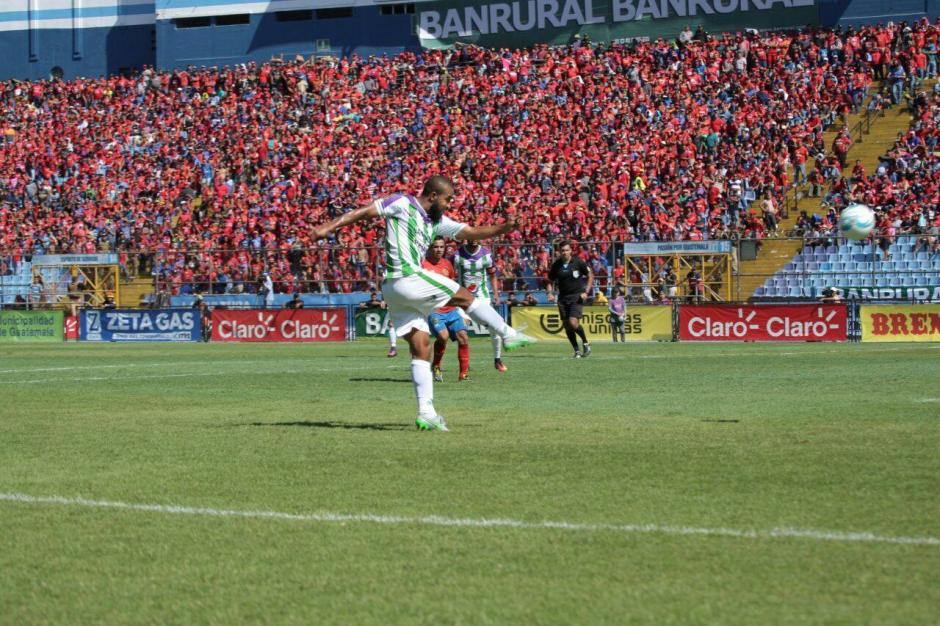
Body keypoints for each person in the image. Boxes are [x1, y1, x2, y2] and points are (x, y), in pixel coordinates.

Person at [312, 175, 535, 432]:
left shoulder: (436, 221)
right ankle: (507, 334)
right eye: (447, 199)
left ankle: (426, 413)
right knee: (465, 296)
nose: (449, 204)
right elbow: (364, 212)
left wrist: (505, 228)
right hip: (407, 276)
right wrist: (329, 226)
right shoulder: (402, 203)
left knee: (421, 347)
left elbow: (471, 232)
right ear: (433, 195)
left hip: (394, 289)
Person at [454, 239, 507, 373]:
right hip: (463, 297)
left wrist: (496, 294)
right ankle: (464, 364)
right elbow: (450, 274)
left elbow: (493, 275)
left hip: (482, 298)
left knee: (494, 328)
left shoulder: (486, 255)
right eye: (471, 236)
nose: (474, 239)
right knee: (461, 331)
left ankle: (497, 359)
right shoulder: (457, 255)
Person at [422, 237, 470, 382]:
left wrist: (460, 307)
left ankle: (463, 375)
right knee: (443, 337)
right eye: (435, 247)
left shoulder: (447, 264)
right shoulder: (422, 265)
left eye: (441, 247)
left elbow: (452, 287)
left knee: (463, 337)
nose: (439, 250)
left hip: (451, 308)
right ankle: (436, 366)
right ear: (430, 248)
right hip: (434, 309)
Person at [548, 240, 594, 358]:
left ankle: (585, 343)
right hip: (562, 298)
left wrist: (586, 291)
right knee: (567, 325)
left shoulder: (578, 262)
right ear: (559, 251)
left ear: (571, 251)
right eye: (562, 250)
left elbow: (590, 275)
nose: (564, 252)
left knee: (573, 322)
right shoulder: (556, 265)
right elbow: (549, 281)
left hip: (576, 296)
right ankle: (577, 351)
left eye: (567, 250)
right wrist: (550, 293)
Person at [358, 290, 397, 356]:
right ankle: (393, 347)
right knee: (391, 325)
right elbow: (379, 303)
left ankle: (412, 346)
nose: (374, 297)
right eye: (373, 296)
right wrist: (383, 302)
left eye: (375, 296)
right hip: (392, 308)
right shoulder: (386, 290)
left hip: (402, 307)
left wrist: (382, 302)